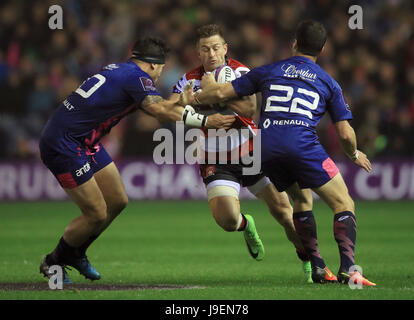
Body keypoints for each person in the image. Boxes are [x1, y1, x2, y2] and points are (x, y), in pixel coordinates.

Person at [192, 20, 376, 286]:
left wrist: (207, 89)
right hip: (302, 145)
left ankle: (317, 266)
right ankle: (349, 269)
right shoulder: (329, 82)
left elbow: (221, 92)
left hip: (266, 148)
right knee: (343, 203)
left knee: (302, 201)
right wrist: (354, 154)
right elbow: (346, 135)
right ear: (322, 49)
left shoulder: (269, 70)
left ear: (294, 44)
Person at [39, 37, 235, 284]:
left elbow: (160, 104)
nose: (159, 76)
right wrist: (206, 121)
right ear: (153, 65)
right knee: (97, 213)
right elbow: (160, 111)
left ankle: (76, 252)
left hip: (83, 141)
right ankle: (54, 261)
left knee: (117, 201)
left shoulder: (121, 70)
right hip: (64, 144)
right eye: (161, 70)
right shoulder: (137, 79)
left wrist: (188, 100)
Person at [169, 24, 313, 283]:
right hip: (216, 158)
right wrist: (184, 102)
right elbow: (171, 109)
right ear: (198, 53)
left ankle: (309, 259)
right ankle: (246, 224)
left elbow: (248, 108)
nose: (211, 54)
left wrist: (209, 95)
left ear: (225, 49)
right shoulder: (188, 79)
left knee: (284, 214)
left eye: (215, 48)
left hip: (252, 152)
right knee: (227, 220)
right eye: (205, 49)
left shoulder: (241, 71)